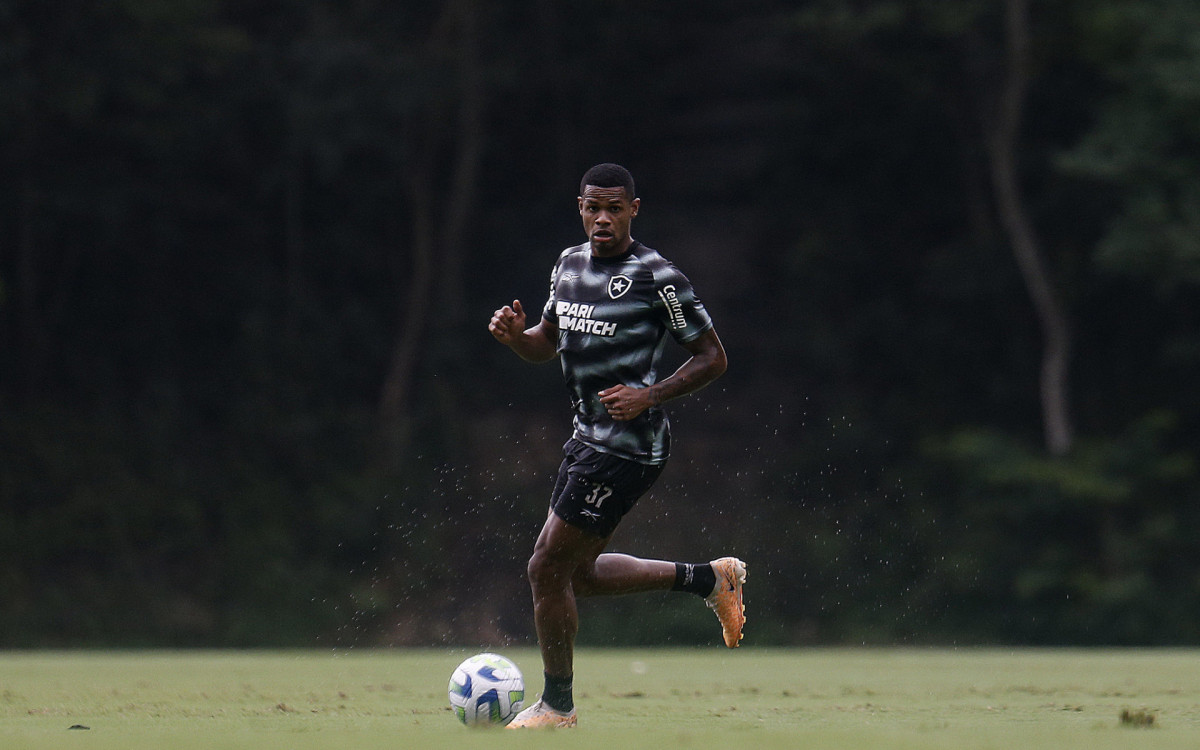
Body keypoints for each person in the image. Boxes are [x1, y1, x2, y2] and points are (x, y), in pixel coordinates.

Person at [488, 163, 746, 729]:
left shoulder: (658, 277)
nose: (601, 218)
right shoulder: (567, 265)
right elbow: (547, 344)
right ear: (579, 207)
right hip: (585, 439)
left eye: (614, 208)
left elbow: (712, 357)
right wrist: (516, 339)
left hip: (629, 446)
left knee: (545, 568)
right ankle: (709, 578)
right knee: (574, 575)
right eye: (592, 207)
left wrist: (649, 395)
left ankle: (557, 706)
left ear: (633, 209)